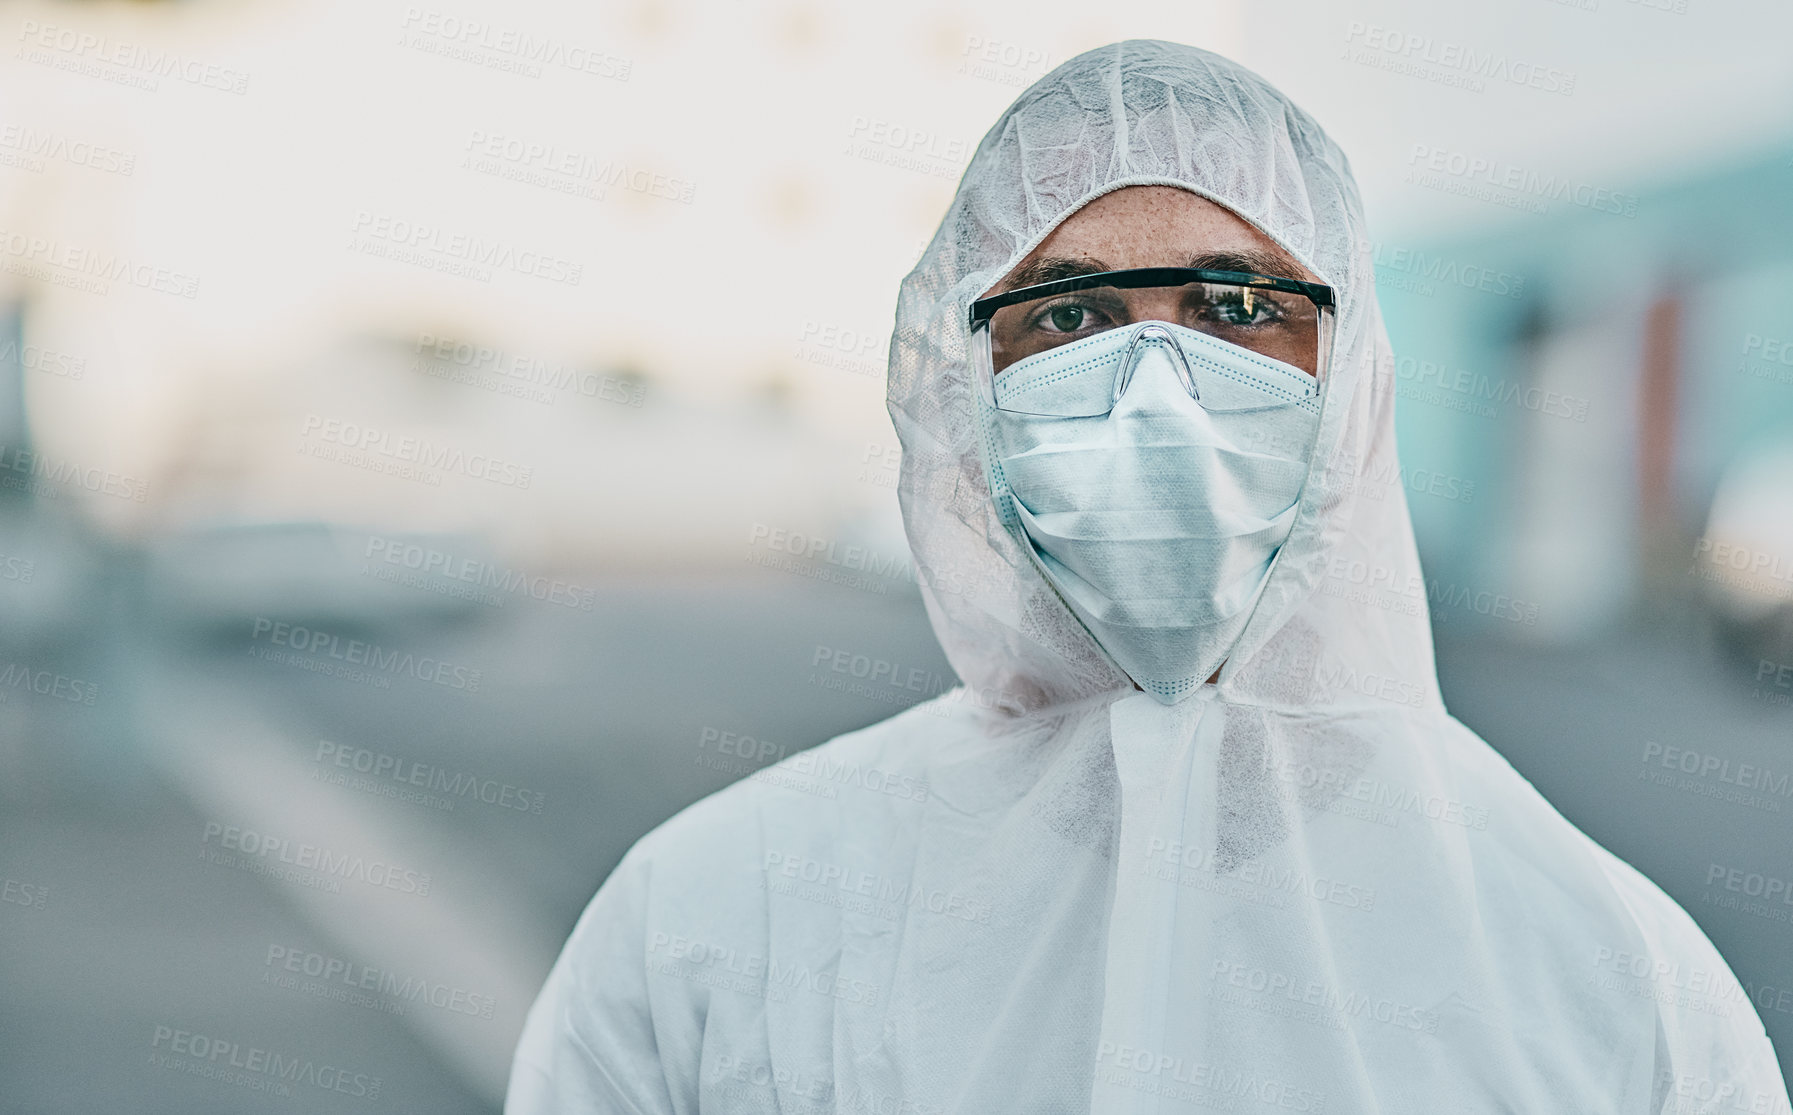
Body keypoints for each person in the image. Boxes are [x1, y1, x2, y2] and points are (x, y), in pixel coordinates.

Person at [507, 39, 1792, 1113]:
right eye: (1067, 316)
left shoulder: (1610, 981)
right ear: (963, 391)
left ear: (1348, 386)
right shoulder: (711, 926)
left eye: (1239, 306)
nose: (1156, 397)